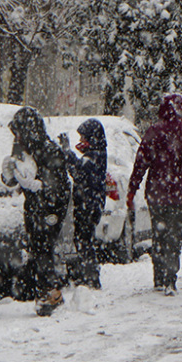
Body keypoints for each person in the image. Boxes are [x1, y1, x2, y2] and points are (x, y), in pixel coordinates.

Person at [126, 94, 182, 296]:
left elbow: (141, 162)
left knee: (159, 234)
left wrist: (132, 188)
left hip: (157, 192)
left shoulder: (154, 132)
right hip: (181, 193)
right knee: (175, 236)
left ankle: (159, 276)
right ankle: (171, 277)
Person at [2, 106, 69, 316]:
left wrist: (38, 186)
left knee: (43, 248)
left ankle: (50, 293)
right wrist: (10, 176)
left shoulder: (49, 150)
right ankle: (45, 292)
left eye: (20, 133)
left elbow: (59, 186)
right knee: (36, 248)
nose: (18, 138)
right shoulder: (26, 150)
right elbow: (19, 177)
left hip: (50, 209)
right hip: (34, 207)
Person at [61, 119, 106, 289]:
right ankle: (85, 274)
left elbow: (78, 172)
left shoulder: (95, 156)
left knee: (84, 239)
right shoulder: (95, 153)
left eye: (83, 138)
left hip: (90, 203)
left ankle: (91, 277)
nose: (81, 142)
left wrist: (67, 153)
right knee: (82, 238)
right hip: (90, 202)